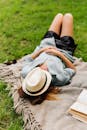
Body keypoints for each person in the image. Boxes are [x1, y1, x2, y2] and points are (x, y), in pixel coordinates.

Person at [19, 13, 77, 104]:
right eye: (45, 73)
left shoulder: (27, 73)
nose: (43, 69)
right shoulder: (59, 79)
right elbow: (72, 69)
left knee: (59, 16)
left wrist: (41, 51)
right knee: (68, 16)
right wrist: (59, 54)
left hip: (47, 43)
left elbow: (28, 59)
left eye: (39, 70)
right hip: (64, 48)